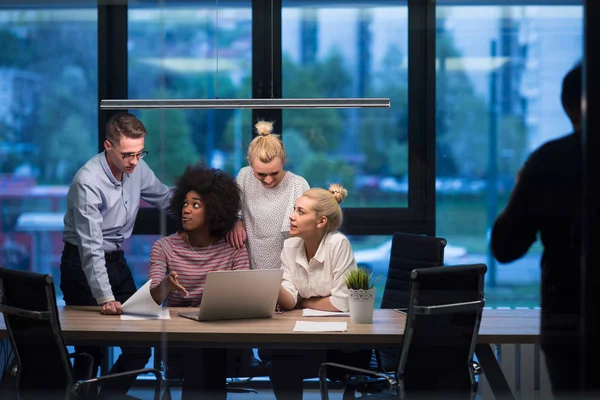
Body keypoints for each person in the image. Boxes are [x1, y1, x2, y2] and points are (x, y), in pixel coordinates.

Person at [490, 63, 596, 398]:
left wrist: (522, 185)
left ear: (568, 107)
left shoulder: (550, 161)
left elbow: (506, 248)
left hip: (569, 320)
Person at [60, 112, 171, 396]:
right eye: (127, 155)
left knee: (139, 347)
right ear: (108, 146)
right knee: (91, 351)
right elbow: (90, 246)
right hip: (81, 266)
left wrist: (213, 212)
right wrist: (105, 297)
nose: (135, 161)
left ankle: (105, 396)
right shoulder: (88, 181)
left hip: (117, 263)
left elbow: (167, 199)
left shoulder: (138, 168)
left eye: (139, 153)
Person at [148, 163, 250, 400]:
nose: (186, 210)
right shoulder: (164, 248)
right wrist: (167, 285)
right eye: (185, 203)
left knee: (211, 350)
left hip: (224, 335)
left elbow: (245, 292)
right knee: (202, 352)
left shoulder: (233, 246)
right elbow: (151, 299)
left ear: (214, 209)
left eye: (196, 205)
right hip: (180, 339)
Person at [268, 184, 372, 400]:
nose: (291, 216)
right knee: (278, 357)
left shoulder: (338, 244)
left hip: (341, 342)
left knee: (285, 358)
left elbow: (342, 303)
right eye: (294, 209)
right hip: (305, 336)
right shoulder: (290, 246)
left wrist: (304, 302)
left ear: (321, 221)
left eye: (300, 212)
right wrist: (272, 284)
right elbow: (289, 300)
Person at [227, 120, 309, 270]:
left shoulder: (298, 184)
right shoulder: (244, 176)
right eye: (261, 174)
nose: (269, 180)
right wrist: (235, 221)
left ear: (284, 161)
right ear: (250, 163)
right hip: (250, 263)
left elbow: (306, 233)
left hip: (289, 266)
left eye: (274, 173)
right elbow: (233, 210)